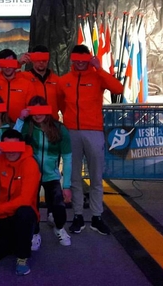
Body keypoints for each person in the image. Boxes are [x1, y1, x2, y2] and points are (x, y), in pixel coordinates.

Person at [57, 44, 123, 235]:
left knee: (96, 176)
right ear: (71, 58)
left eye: (83, 59)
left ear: (88, 59)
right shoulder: (64, 81)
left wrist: (99, 68)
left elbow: (117, 89)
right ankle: (78, 215)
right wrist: (67, 119)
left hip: (93, 131)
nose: (78, 62)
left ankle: (96, 216)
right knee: (74, 177)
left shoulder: (97, 77)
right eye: (75, 59)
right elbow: (61, 101)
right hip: (71, 133)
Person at [0, 129, 41, 276]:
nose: (10, 152)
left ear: (21, 146)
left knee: (25, 212)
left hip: (20, 214)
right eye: (7, 147)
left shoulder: (30, 163)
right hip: (2, 217)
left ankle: (22, 258)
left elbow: (26, 199)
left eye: (14, 147)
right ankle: (14, 243)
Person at [16, 96, 72, 249]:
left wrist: (66, 185)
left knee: (59, 209)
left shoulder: (60, 129)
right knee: (31, 206)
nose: (37, 114)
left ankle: (59, 227)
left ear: (47, 110)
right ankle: (35, 233)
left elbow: (67, 158)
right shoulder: (27, 127)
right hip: (31, 176)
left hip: (51, 176)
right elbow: (12, 141)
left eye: (41, 110)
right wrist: (20, 119)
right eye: (34, 111)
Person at [0, 49, 35, 123]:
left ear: (15, 63)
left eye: (10, 63)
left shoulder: (26, 83)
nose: (7, 67)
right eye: (4, 64)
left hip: (20, 124)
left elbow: (32, 107)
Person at [19, 45, 61, 118]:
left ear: (48, 60)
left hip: (52, 123)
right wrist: (18, 64)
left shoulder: (56, 80)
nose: (41, 62)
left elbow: (63, 103)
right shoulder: (23, 77)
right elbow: (3, 78)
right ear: (32, 59)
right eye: (38, 59)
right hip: (32, 122)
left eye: (44, 60)